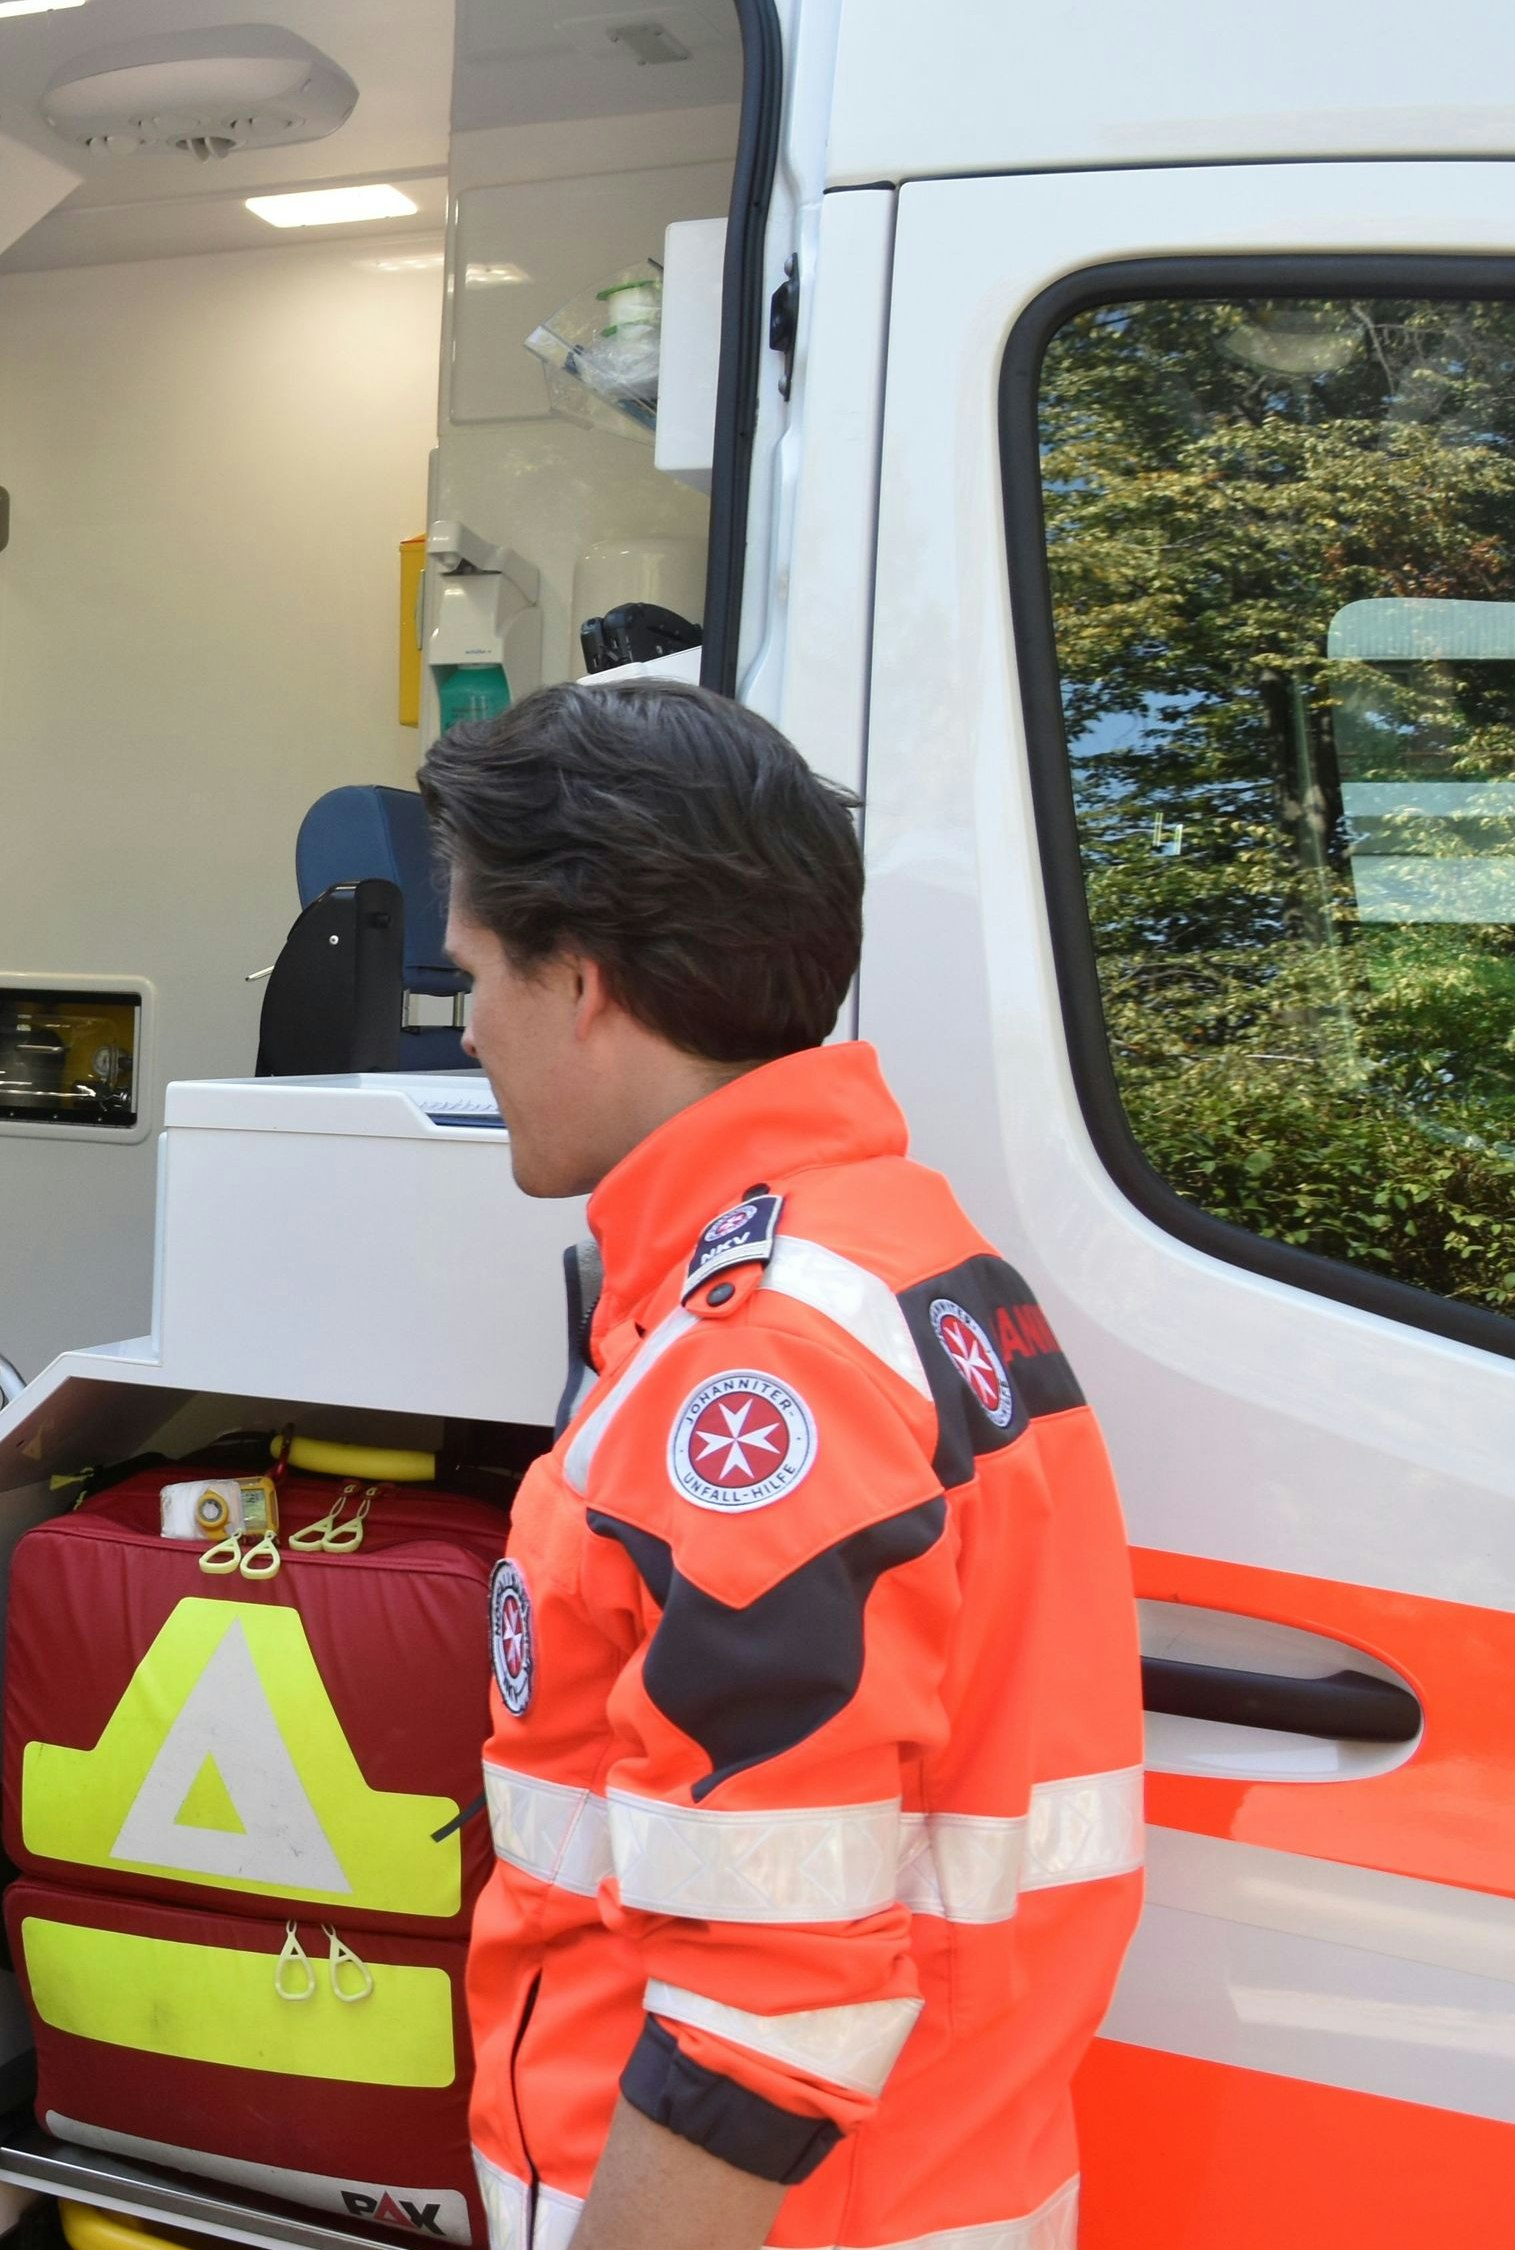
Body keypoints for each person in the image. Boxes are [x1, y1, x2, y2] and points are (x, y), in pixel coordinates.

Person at [421, 681, 1143, 2250]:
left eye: (473, 973)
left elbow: (775, 1997)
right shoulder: (896, 1257)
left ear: (584, 982)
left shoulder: (757, 1364)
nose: (466, 1023)